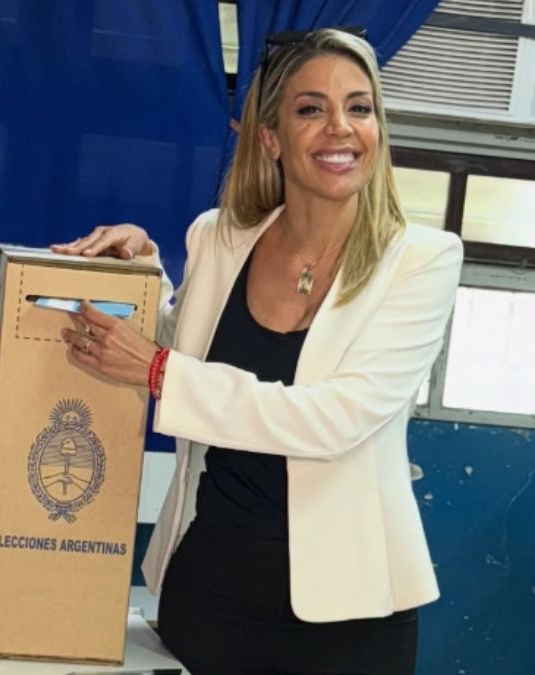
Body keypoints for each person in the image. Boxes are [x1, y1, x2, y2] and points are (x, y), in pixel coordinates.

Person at [52, 28, 462, 675]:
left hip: (348, 618)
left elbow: (334, 420)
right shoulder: (219, 238)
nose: (340, 128)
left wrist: (160, 370)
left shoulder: (422, 261)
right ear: (269, 135)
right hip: (208, 590)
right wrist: (143, 274)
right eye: (311, 109)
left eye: (359, 107)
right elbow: (180, 349)